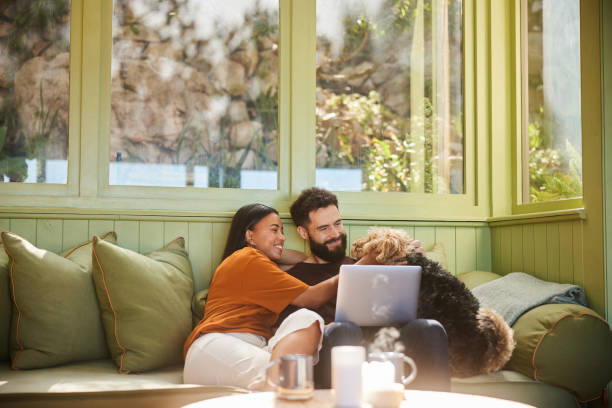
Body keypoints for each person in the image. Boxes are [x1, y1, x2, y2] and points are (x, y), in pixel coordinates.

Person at [276, 187, 451, 391]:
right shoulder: (296, 276)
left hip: (384, 344)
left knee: (429, 328)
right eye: (324, 228)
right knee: (343, 330)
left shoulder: (370, 262)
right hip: (337, 347)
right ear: (303, 232)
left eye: (338, 224)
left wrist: (419, 265)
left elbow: (412, 306)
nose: (335, 234)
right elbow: (290, 331)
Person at [183, 203, 342, 390]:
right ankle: (282, 389)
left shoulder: (261, 266)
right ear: (250, 235)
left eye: (282, 231)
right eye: (274, 230)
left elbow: (302, 258)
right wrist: (360, 267)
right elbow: (312, 297)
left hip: (255, 349)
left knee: (308, 318)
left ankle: (278, 391)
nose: (282, 237)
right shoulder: (248, 257)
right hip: (214, 349)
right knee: (287, 376)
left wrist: (319, 329)